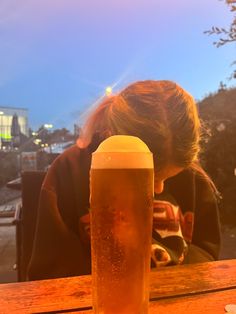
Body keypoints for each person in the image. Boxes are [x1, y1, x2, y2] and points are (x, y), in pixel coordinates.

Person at [27, 80, 221, 280]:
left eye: (169, 177)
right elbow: (51, 270)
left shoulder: (192, 176)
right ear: (112, 136)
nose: (158, 188)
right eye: (147, 177)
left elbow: (207, 251)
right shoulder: (71, 170)